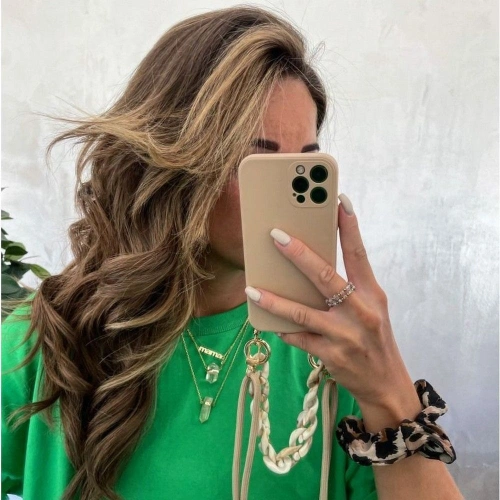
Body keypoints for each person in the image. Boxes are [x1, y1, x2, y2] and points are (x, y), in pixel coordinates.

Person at [2, 6, 463, 500]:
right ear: (173, 159)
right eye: (257, 161)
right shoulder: (47, 341)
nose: (287, 197)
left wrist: (389, 391)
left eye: (305, 166)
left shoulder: (334, 354)